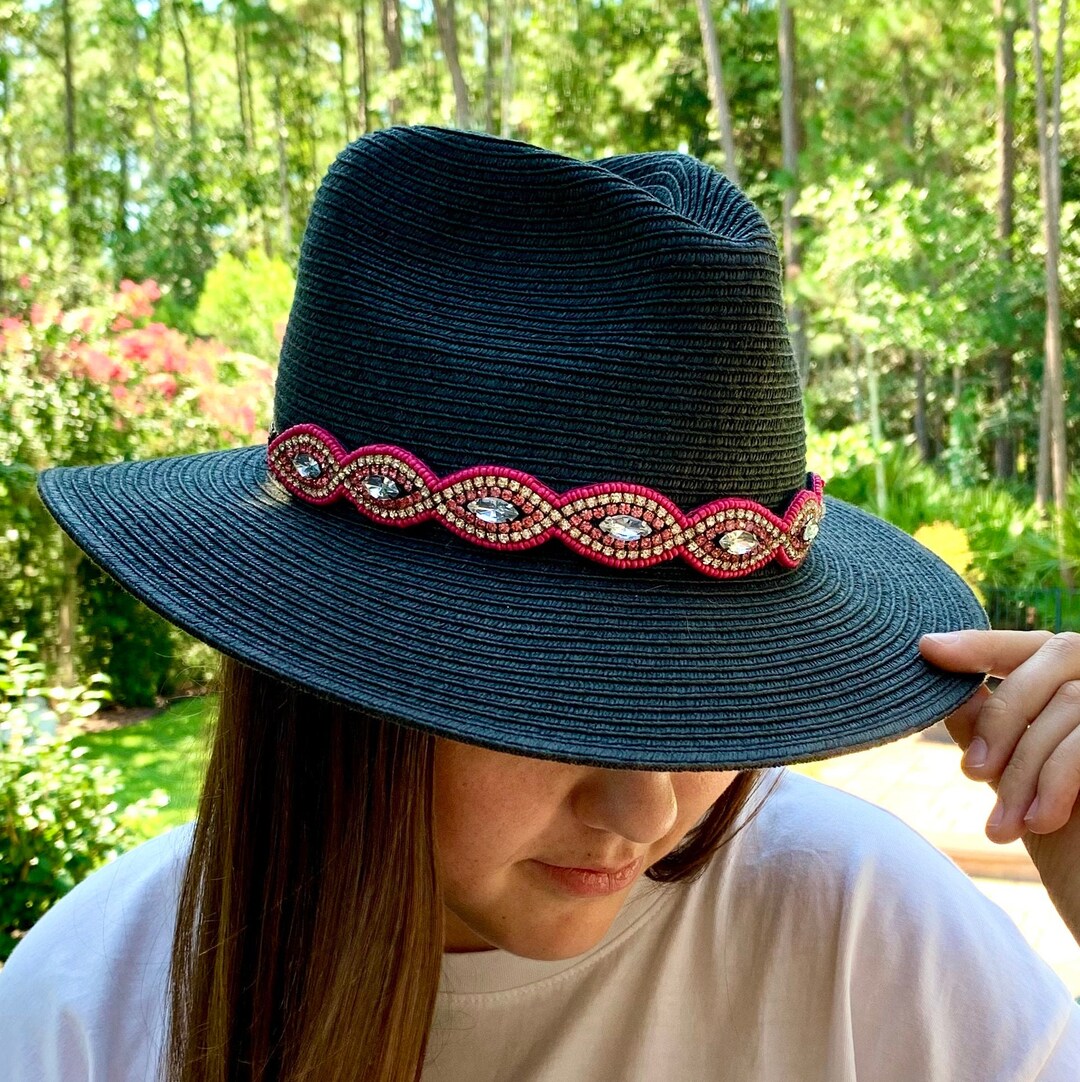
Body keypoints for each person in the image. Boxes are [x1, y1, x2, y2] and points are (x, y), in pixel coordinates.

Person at [0, 125, 1077, 1082]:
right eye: (564, 706)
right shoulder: (89, 1003)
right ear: (342, 688)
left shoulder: (856, 930)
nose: (644, 809)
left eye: (705, 703)